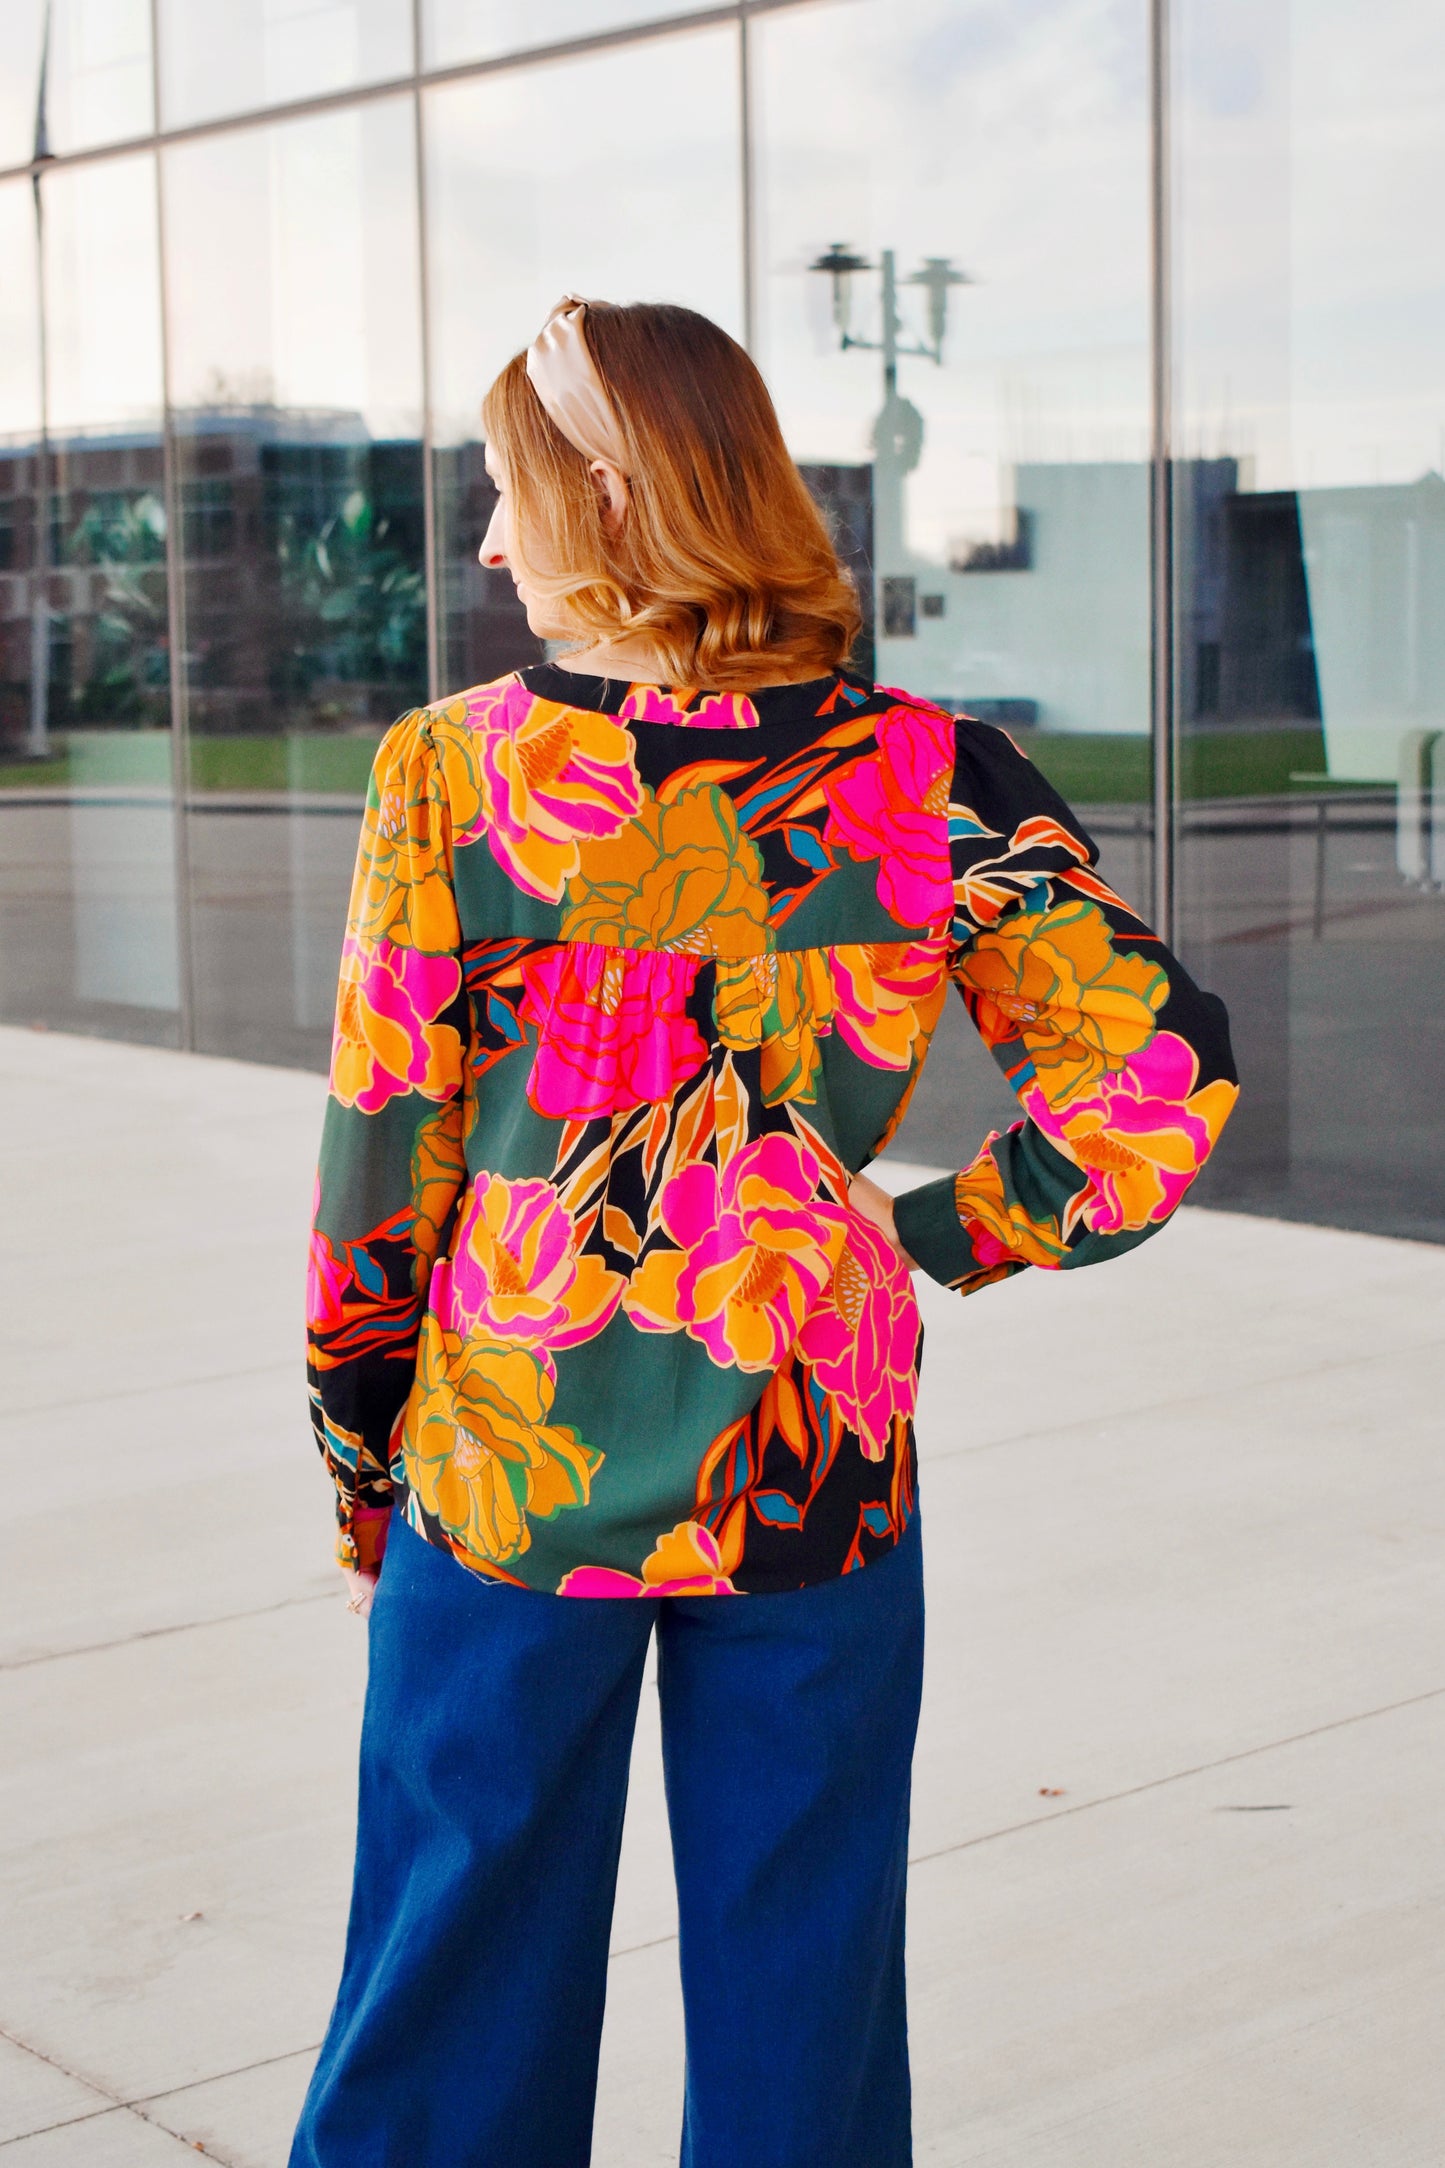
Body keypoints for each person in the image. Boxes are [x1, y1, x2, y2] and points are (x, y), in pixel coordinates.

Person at [291, 297, 1237, 2168]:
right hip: (810, 1469)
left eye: (505, 492)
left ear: (612, 498)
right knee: (800, 1972)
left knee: (450, 1964)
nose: (488, 540)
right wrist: (938, 1236)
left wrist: (356, 1467)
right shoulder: (925, 773)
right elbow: (1164, 1070)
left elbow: (376, 1171)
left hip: (506, 1466)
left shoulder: (449, 772)